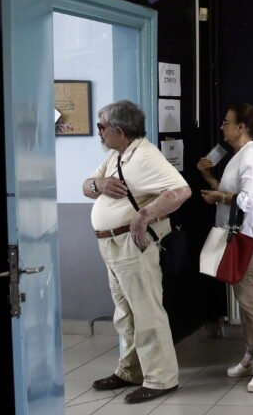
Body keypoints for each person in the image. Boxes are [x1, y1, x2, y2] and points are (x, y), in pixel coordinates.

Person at [82, 100, 191, 404]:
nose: (99, 132)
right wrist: (99, 184)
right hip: (111, 245)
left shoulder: (145, 155)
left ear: (119, 130)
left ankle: (161, 378)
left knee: (146, 313)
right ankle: (131, 370)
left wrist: (144, 215)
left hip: (132, 246)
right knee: (126, 314)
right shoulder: (117, 155)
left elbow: (181, 191)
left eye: (102, 127)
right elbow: (85, 187)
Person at [198, 103, 253, 392]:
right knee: (244, 301)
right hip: (238, 236)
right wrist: (210, 180)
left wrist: (218, 196)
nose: (223, 127)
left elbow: (247, 200)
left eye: (226, 122)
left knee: (251, 301)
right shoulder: (240, 155)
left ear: (241, 127)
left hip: (249, 237)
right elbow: (231, 191)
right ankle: (251, 354)